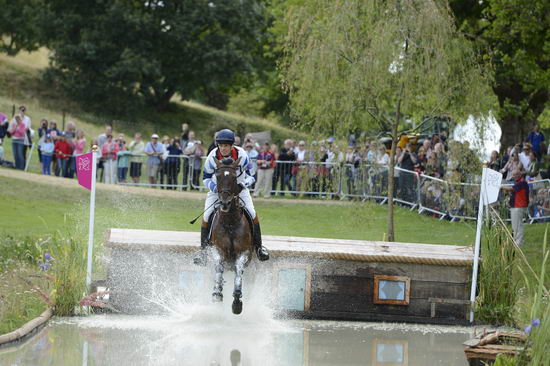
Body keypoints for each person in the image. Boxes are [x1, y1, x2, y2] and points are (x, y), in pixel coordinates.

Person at [194, 129, 269, 265]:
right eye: (221, 145)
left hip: (240, 188)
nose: (223, 148)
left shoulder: (243, 155)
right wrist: (215, 189)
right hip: (218, 190)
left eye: (226, 146)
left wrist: (244, 184)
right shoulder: (212, 157)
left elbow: (252, 175)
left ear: (232, 145)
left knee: (252, 213)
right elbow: (205, 178)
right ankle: (203, 251)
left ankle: (259, 249)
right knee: (207, 215)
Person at [501, 170, 529, 245]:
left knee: (517, 225)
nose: (514, 176)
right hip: (516, 206)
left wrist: (501, 187)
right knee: (516, 224)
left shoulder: (522, 182)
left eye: (516, 174)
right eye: (513, 175)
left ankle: (518, 242)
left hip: (518, 206)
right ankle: (519, 241)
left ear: (520, 174)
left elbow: (512, 189)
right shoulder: (519, 182)